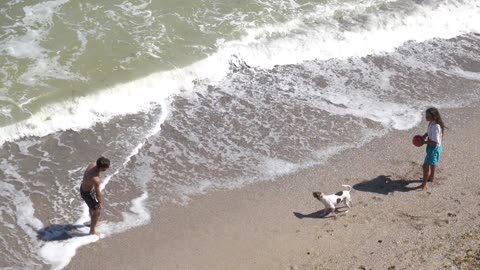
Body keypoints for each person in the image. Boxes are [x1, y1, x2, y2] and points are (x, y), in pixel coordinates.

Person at [80, 156, 110, 235]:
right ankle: (92, 231)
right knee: (97, 211)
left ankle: (94, 221)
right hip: (87, 193)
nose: (105, 170)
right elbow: (98, 192)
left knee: (92, 207)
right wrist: (100, 202)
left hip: (84, 188)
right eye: (104, 169)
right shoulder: (95, 179)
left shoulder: (93, 164)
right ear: (100, 167)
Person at [419, 108, 445, 190]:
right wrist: (424, 135)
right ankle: (431, 177)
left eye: (428, 116)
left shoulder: (436, 127)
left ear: (434, 117)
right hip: (433, 147)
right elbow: (429, 132)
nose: (426, 117)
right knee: (433, 163)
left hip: (434, 148)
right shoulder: (431, 123)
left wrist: (424, 142)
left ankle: (423, 185)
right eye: (426, 115)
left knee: (425, 166)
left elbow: (435, 142)